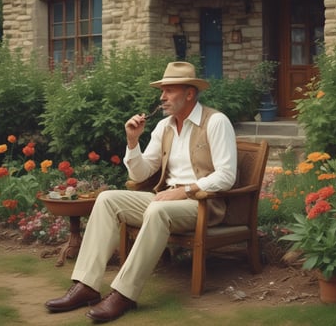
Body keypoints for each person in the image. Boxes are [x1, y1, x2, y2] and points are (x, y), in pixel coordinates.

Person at [45, 61, 237, 322]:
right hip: (165, 199)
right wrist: (133, 142)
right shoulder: (164, 126)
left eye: (169, 90)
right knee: (107, 199)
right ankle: (87, 286)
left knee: (158, 209)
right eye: (162, 90)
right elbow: (140, 174)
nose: (162, 96)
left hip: (203, 204)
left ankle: (124, 294)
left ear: (190, 93)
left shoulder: (216, 122)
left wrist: (185, 192)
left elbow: (227, 176)